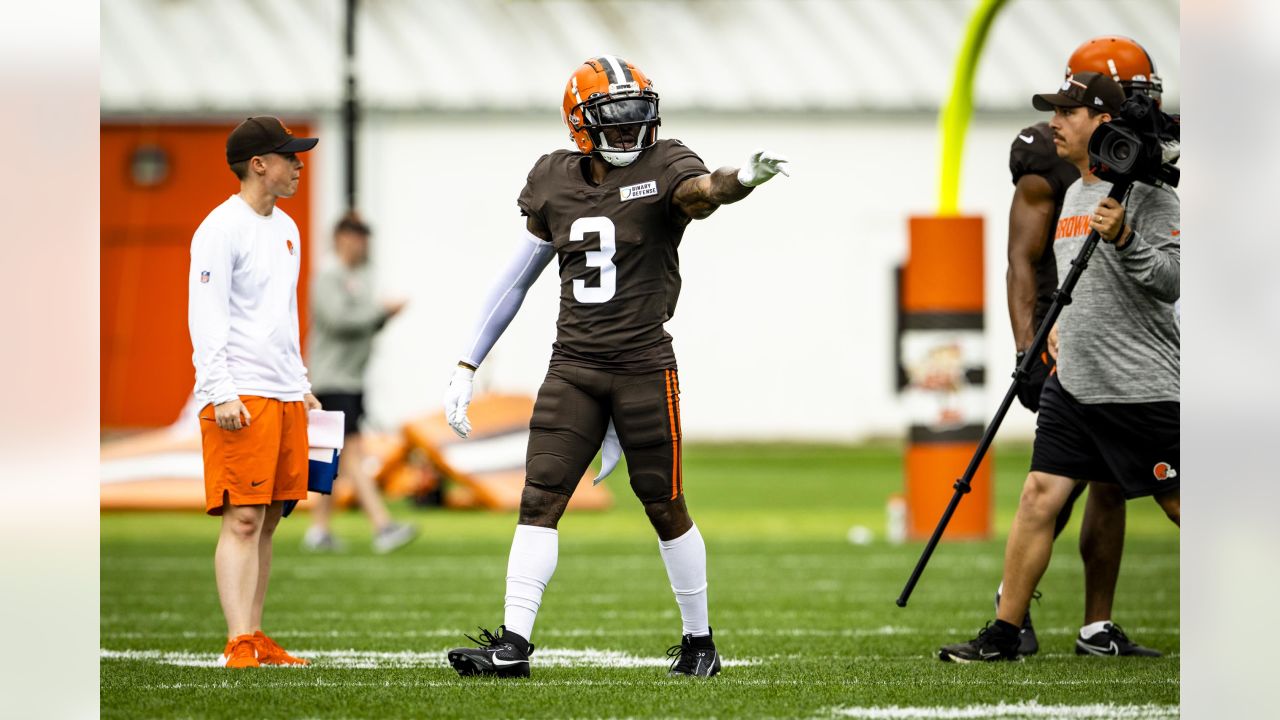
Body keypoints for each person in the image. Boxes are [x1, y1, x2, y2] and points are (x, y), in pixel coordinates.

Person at [440, 55, 789, 679]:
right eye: (616, 120)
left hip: (642, 365)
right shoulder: (552, 180)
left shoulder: (665, 164)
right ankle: (513, 645)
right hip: (573, 366)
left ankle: (699, 641)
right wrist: (469, 361)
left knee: (663, 502)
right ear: (581, 124)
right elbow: (517, 280)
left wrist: (741, 179)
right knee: (539, 498)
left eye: (637, 119)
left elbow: (701, 193)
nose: (630, 133)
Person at [940, 70, 1179, 662]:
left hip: (1137, 388)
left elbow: (1172, 282)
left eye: (1066, 112)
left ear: (1102, 120)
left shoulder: (1153, 195)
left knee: (1182, 504)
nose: (1054, 123)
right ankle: (1003, 633)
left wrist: (1126, 239)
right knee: (1038, 497)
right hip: (1074, 385)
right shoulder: (1073, 192)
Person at [998, 36, 1167, 657]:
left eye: (1141, 98)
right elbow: (1021, 258)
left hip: (1123, 338)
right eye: (1130, 96)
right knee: (1052, 485)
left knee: (1110, 484)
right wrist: (1028, 346)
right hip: (1059, 331)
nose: (1139, 110)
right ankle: (1006, 608)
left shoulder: (1147, 162)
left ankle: (1096, 625)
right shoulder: (1051, 159)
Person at [188, 116, 320, 669]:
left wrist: (303, 386)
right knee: (241, 518)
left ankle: (256, 635)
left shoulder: (286, 228)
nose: (299, 165)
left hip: (284, 392)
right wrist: (221, 391)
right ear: (259, 164)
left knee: (268, 519)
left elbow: (282, 318)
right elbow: (206, 317)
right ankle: (238, 639)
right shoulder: (219, 229)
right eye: (289, 157)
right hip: (239, 392)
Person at [302, 212, 418, 554]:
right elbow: (339, 320)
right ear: (341, 239)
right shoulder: (329, 274)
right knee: (351, 452)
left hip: (350, 379)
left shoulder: (359, 276)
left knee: (329, 458)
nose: (362, 245)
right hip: (333, 378)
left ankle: (319, 530)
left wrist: (383, 316)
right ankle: (383, 526)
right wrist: (382, 311)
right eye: (356, 238)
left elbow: (364, 324)